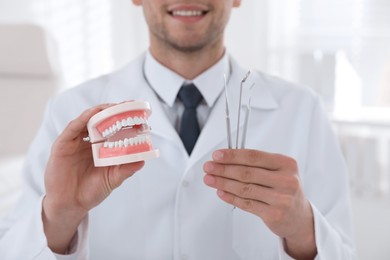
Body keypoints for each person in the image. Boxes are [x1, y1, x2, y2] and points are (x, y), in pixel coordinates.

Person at [0, 0, 356, 259]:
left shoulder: (302, 111)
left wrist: (303, 231)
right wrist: (58, 217)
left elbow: (344, 252)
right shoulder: (68, 112)